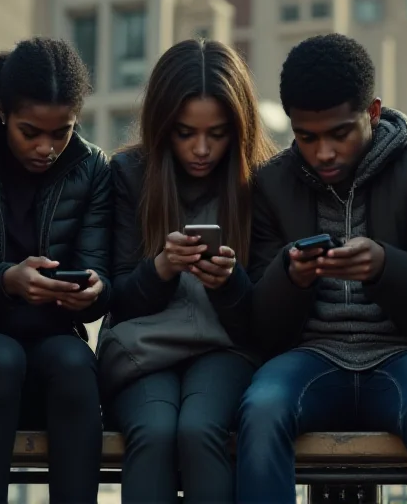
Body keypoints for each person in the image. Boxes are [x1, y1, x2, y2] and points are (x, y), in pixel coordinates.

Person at [236, 34, 407, 504]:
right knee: (262, 408)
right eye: (306, 137)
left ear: (372, 113)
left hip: (404, 355)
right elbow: (259, 326)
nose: (324, 153)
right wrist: (289, 278)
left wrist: (383, 266)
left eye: (340, 133)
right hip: (310, 356)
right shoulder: (271, 183)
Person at [105, 39, 276, 504]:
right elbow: (115, 296)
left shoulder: (263, 181)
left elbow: (264, 317)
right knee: (156, 432)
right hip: (143, 346)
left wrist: (228, 282)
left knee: (201, 431)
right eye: (184, 133)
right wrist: (160, 268)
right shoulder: (128, 173)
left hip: (227, 347)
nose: (201, 149)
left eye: (217, 134)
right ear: (162, 127)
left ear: (238, 128)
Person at [0, 37, 110, 504]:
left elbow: (100, 270)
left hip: (52, 343)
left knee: (76, 362)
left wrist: (94, 290)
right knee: (1, 357)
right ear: (2, 112)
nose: (46, 147)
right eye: (30, 131)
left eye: (61, 132)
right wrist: (6, 280)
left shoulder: (92, 166)